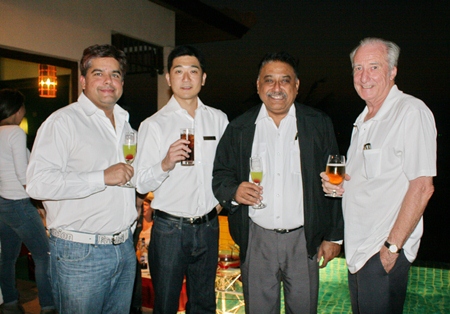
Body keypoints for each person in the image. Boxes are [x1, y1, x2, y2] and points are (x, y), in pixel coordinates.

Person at [212, 52, 344, 314]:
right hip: (257, 238)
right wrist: (234, 191)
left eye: (285, 80)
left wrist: (334, 236)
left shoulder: (318, 124)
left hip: (304, 240)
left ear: (296, 86)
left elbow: (335, 181)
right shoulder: (240, 128)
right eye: (269, 80)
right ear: (258, 86)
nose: (276, 88)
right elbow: (220, 175)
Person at [321, 37, 437, 313]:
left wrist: (391, 250)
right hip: (359, 251)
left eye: (373, 67)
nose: (364, 77)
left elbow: (422, 187)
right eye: (358, 68)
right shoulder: (363, 120)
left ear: (393, 71)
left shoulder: (410, 112)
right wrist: (339, 187)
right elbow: (372, 181)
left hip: (381, 252)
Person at [26, 44, 137, 314]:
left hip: (124, 249)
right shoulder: (63, 122)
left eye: (115, 74)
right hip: (80, 253)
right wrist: (101, 177)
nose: (108, 81)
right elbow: (37, 183)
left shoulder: (126, 124)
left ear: (122, 81)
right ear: (83, 80)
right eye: (99, 73)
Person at [135, 45, 228, 314]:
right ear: (168, 78)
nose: (186, 78)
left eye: (193, 71)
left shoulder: (218, 119)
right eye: (179, 71)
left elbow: (228, 169)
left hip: (209, 227)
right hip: (169, 230)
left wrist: (220, 202)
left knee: (204, 303)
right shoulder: (154, 124)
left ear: (203, 78)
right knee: (165, 303)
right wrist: (165, 163)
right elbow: (141, 183)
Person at [0, 89, 56, 314]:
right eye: (22, 106)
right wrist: (42, 203)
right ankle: (49, 306)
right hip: (20, 203)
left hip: (3, 202)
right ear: (16, 108)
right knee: (44, 255)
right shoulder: (15, 132)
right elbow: (24, 176)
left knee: (7, 257)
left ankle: (11, 303)